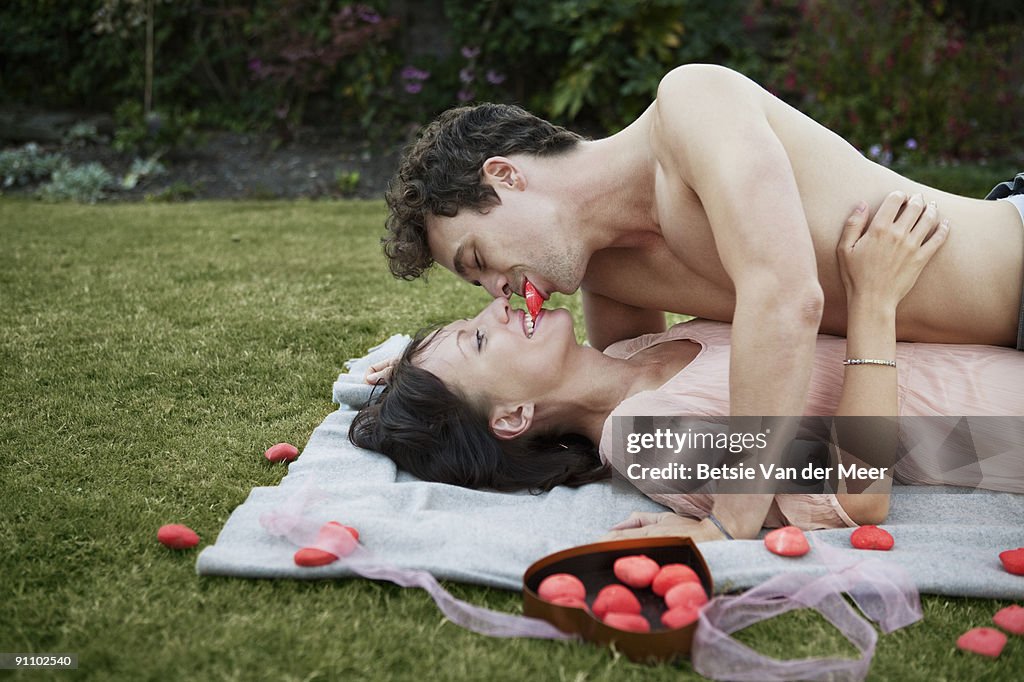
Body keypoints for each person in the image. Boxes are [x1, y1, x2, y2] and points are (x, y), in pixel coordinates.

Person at [378, 64, 1024, 538]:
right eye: (478, 292)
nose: (500, 292)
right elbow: (625, 392)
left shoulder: (692, 108)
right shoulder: (605, 272)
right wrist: (429, 385)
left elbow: (787, 296)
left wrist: (732, 517)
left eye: (478, 261)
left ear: (506, 176)